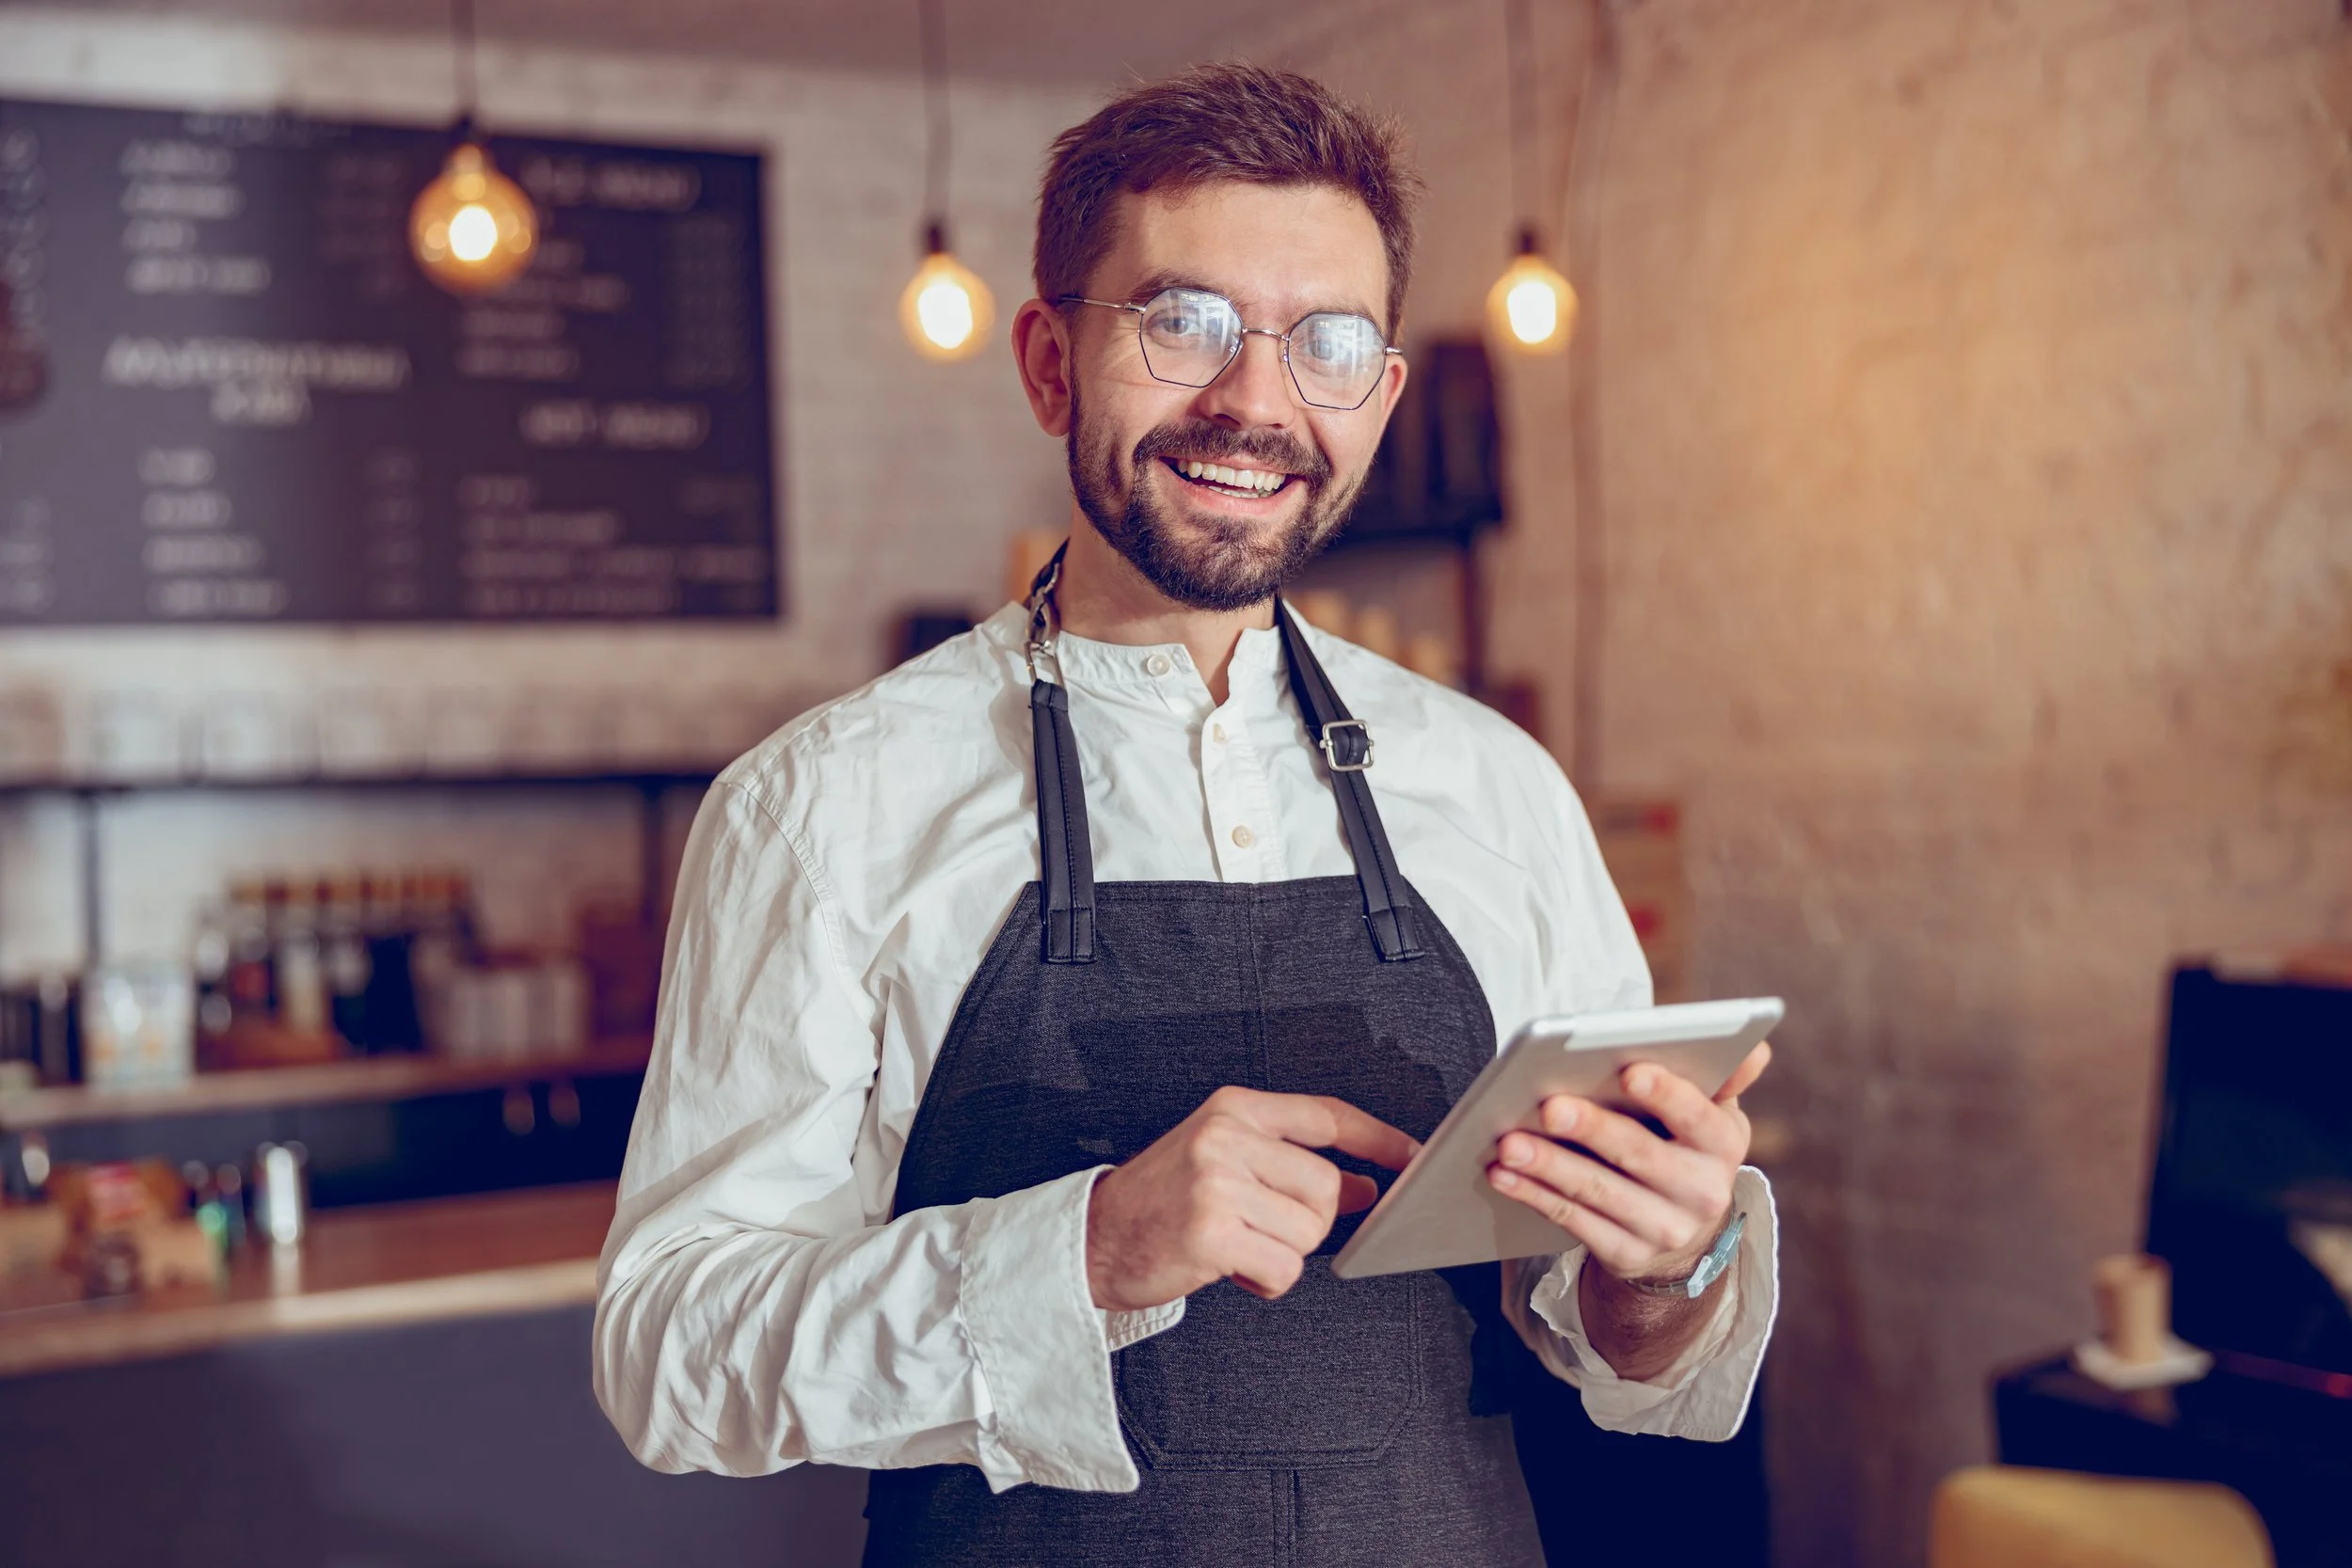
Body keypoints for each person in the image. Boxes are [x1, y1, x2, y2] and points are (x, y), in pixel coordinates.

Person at [595, 62, 1778, 1567]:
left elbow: (1612, 1337)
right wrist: (1080, 1254)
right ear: (1046, 364)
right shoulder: (822, 804)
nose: (1255, 401)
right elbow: (667, 1350)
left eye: (1327, 343)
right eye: (1182, 322)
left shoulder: (1497, 786)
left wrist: (1663, 1267)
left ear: (1382, 394)